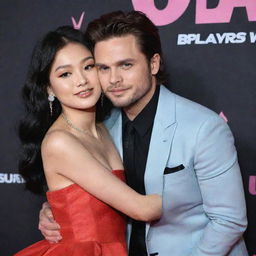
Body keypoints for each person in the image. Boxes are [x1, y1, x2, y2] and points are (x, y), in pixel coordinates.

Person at [39, 11, 248, 256]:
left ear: (153, 63)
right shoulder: (102, 127)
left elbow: (229, 220)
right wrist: (56, 210)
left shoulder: (205, 128)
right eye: (103, 68)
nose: (114, 79)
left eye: (125, 65)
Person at [15, 25, 162, 256]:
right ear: (49, 88)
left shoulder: (109, 125)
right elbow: (141, 209)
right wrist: (207, 197)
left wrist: (52, 208)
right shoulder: (60, 142)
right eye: (65, 74)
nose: (81, 80)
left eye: (88, 66)